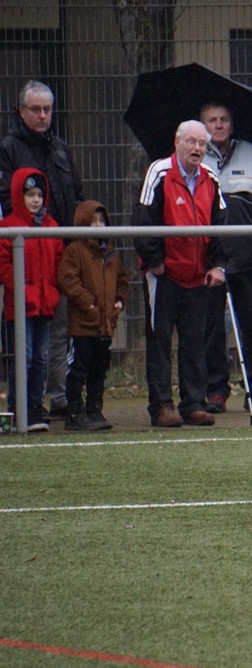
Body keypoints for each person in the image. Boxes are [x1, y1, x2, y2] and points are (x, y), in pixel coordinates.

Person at [132, 120, 228, 428]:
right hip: (164, 275)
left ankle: (193, 403)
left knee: (194, 341)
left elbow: (221, 223)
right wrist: (154, 261)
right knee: (160, 339)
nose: (197, 149)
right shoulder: (159, 173)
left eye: (202, 144)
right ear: (177, 143)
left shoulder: (211, 178)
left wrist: (218, 265)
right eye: (192, 142)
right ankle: (161, 404)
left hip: (197, 275)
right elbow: (143, 219)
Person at [0, 80, 85, 420]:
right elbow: (7, 201)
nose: (42, 115)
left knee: (57, 333)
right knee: (25, 344)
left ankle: (56, 397)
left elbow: (76, 193)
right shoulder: (8, 148)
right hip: (24, 257)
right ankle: (24, 404)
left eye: (47, 109)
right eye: (35, 109)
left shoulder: (61, 149)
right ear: (21, 111)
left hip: (57, 255)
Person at [199, 102, 252, 415]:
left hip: (248, 259)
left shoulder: (250, 154)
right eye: (212, 120)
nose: (219, 125)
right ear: (202, 126)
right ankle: (215, 391)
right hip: (209, 260)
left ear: (232, 125)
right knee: (210, 328)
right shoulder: (196, 157)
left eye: (224, 119)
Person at [57, 200, 128, 431]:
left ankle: (94, 410)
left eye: (101, 221)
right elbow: (68, 279)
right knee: (78, 369)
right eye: (93, 221)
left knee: (99, 370)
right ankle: (74, 412)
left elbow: (122, 280)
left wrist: (119, 301)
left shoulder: (111, 254)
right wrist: (88, 302)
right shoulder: (75, 252)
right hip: (83, 325)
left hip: (106, 324)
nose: (98, 225)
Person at [0, 169, 62, 432]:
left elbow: (58, 260)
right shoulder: (8, 227)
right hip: (21, 305)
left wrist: (52, 289)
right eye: (29, 195)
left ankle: (35, 406)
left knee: (40, 357)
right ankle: (18, 407)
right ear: (18, 196)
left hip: (45, 303)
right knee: (23, 357)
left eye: (39, 195)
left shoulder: (51, 227)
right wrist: (21, 289)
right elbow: (4, 264)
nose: (35, 200)